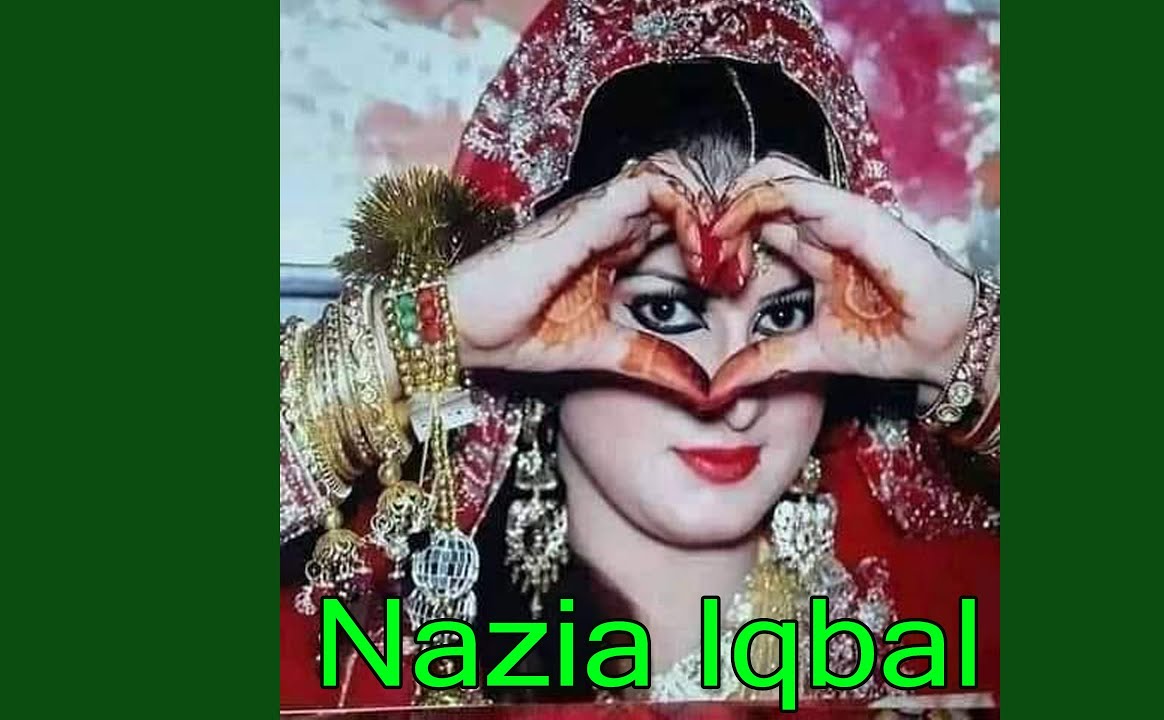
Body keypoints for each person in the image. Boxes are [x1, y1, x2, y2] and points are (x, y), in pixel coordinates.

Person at [280, 0, 999, 712]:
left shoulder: (955, 626)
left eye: (783, 316)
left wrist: (966, 345)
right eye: (664, 312)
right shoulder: (355, 649)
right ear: (535, 308)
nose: (730, 390)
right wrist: (436, 329)